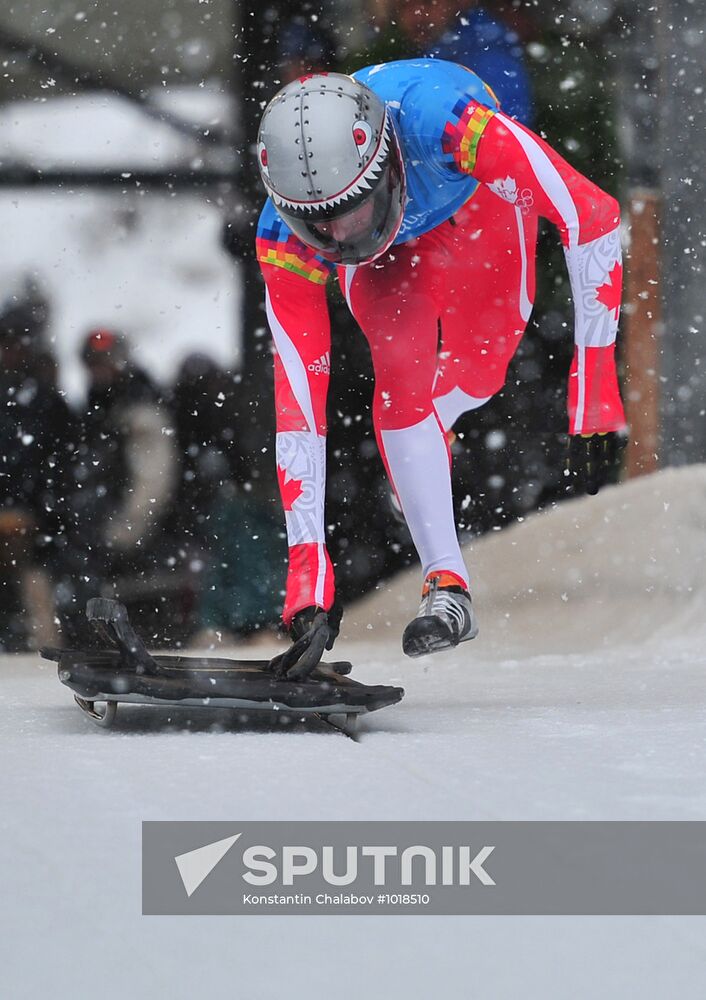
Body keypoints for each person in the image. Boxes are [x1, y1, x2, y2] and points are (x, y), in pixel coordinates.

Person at [255, 60, 625, 672]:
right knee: (401, 370)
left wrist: (594, 394)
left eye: (355, 211)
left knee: (483, 371)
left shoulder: (449, 126)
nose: (343, 239)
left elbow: (593, 216)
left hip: (475, 202)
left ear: (384, 166)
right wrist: (307, 577)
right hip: (398, 255)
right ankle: (447, 583)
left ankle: (428, 440)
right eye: (318, 227)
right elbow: (299, 405)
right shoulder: (284, 236)